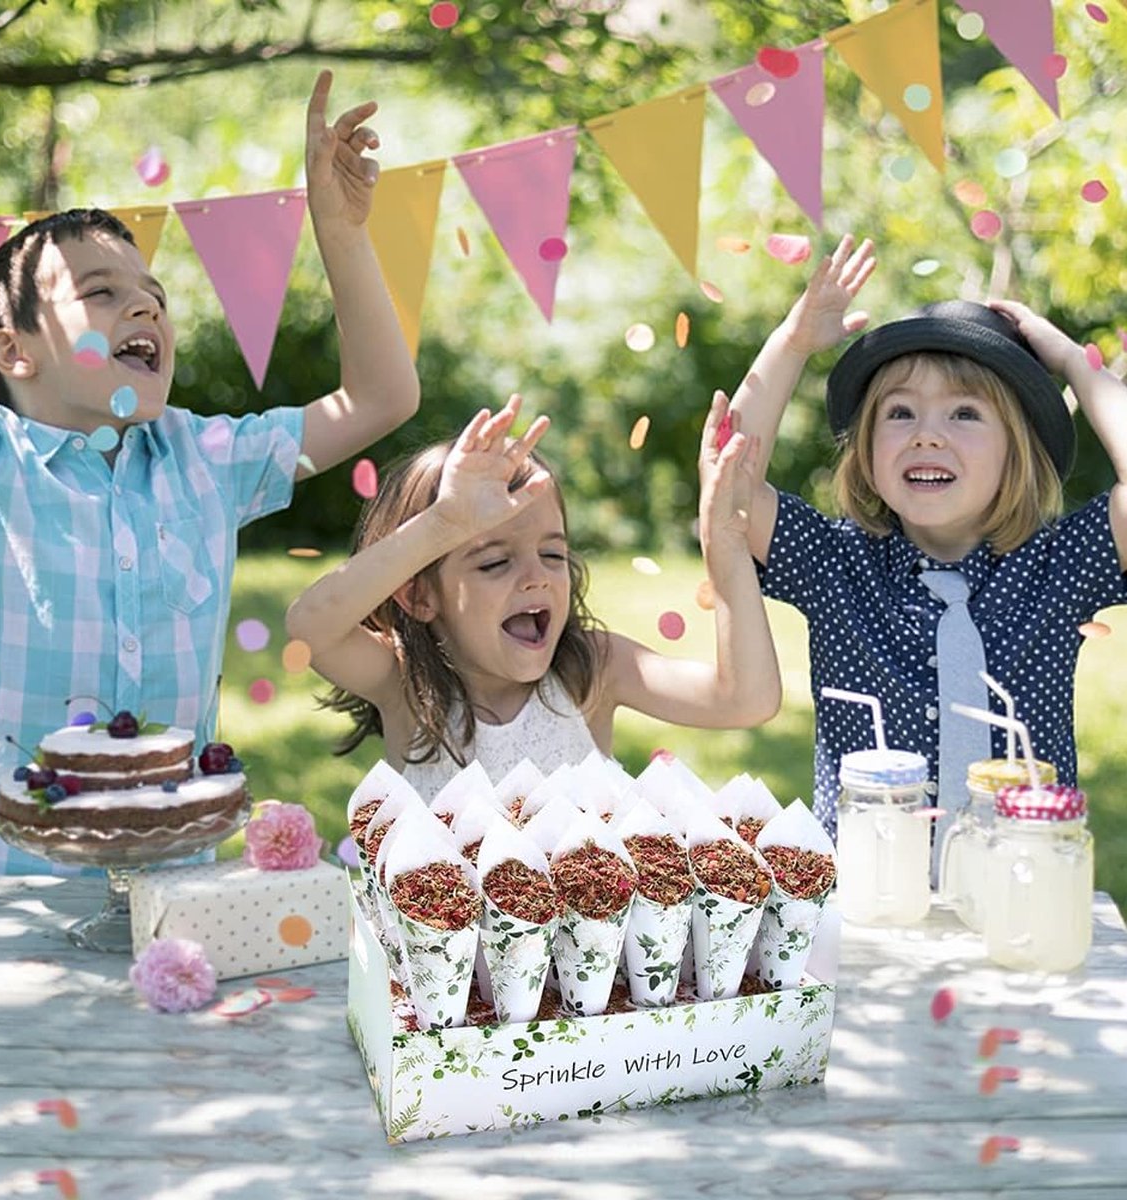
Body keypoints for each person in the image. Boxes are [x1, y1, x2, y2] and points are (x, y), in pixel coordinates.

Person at [0, 40, 420, 905]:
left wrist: (339, 232)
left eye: (150, 289)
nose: (144, 303)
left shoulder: (205, 459)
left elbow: (381, 397)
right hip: (12, 892)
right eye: (100, 293)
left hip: (182, 889)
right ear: (14, 351)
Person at [722, 233, 1127, 842]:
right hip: (867, 894)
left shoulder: (1058, 565)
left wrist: (1076, 364)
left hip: (1020, 886)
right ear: (866, 449)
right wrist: (793, 344)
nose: (927, 436)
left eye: (964, 414)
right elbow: (729, 484)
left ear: (1018, 452)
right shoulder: (838, 563)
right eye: (901, 412)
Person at [285, 394, 781, 798]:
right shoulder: (407, 688)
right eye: (495, 561)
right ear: (418, 597)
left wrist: (727, 546)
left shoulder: (591, 670)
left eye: (552, 554)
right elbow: (310, 629)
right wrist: (442, 525)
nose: (536, 578)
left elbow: (745, 700)